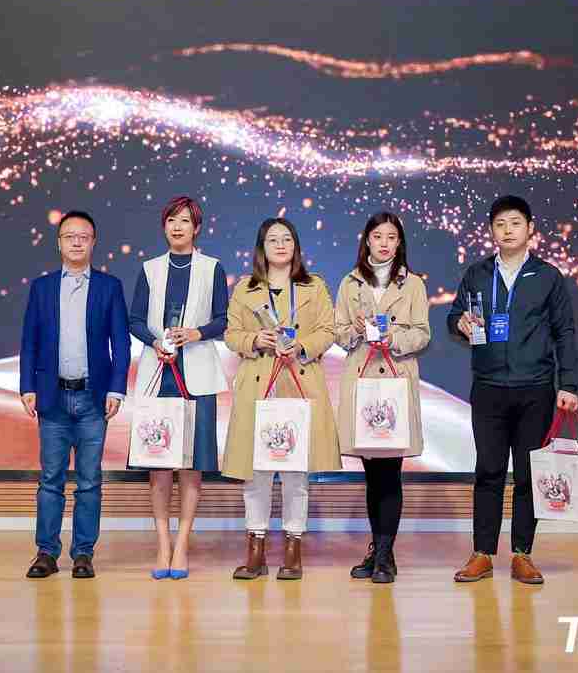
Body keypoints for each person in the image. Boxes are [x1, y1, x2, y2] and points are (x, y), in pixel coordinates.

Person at [446, 195, 578, 585]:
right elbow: (454, 316)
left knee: (526, 474)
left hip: (535, 388)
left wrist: (569, 384)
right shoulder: (477, 273)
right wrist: (460, 324)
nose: (508, 230)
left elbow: (565, 332)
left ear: (530, 229)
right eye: (500, 224)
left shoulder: (547, 276)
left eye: (515, 223)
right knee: (488, 471)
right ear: (492, 231)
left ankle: (522, 554)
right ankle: (483, 553)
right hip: (488, 386)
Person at [222, 217, 341, 580]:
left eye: (286, 238)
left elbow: (328, 330)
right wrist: (254, 340)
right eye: (272, 239)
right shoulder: (245, 288)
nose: (280, 245)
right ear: (262, 247)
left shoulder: (314, 286)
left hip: (298, 381)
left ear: (295, 246)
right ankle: (255, 551)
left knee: (295, 472)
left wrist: (301, 346)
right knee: (255, 473)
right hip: (258, 385)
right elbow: (231, 334)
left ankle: (293, 550)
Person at [19, 209, 131, 580]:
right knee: (50, 479)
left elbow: (121, 343)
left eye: (84, 236)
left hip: (93, 398)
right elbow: (30, 342)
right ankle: (46, 553)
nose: (77, 242)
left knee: (89, 481)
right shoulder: (42, 287)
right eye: (70, 236)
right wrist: (27, 386)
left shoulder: (109, 287)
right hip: (52, 398)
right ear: (59, 243)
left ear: (94, 242)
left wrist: (117, 387)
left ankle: (83, 553)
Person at [127, 196, 230, 580]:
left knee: (191, 466)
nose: (177, 226)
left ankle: (183, 543)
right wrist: (155, 341)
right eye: (171, 220)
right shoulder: (149, 269)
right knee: (159, 467)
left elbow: (223, 318)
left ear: (196, 228)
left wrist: (196, 333)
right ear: (164, 226)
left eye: (185, 221)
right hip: (159, 375)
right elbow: (135, 320)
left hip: (197, 375)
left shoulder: (212, 268)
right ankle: (162, 545)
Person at [333, 211, 432, 584]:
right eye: (378, 236)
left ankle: (386, 554)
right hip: (362, 382)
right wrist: (356, 331)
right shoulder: (350, 282)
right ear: (367, 241)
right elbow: (338, 332)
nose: (384, 243)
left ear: (399, 242)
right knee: (372, 474)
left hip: (395, 380)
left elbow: (422, 333)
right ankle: (377, 549)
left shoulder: (413, 284)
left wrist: (395, 338)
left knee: (390, 472)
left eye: (391, 237)